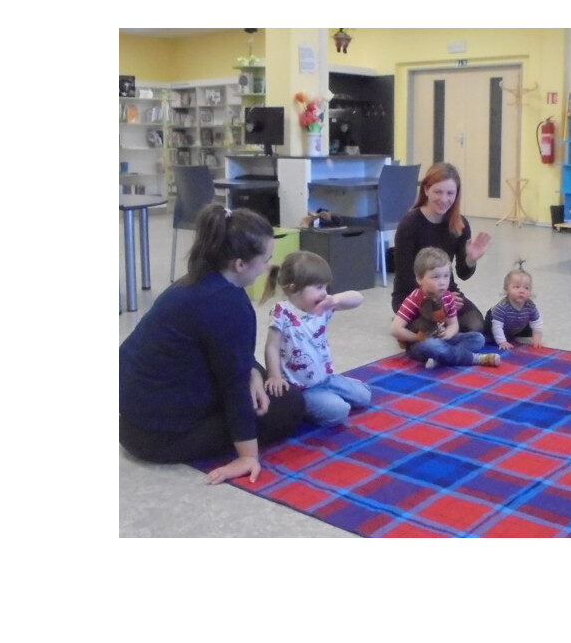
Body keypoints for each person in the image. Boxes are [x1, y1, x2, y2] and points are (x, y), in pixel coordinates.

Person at [119, 205, 306, 485]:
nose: (268, 267)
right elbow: (233, 386)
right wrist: (248, 456)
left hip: (131, 420)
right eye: (265, 260)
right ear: (240, 264)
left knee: (258, 379)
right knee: (288, 405)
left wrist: (252, 373)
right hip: (159, 439)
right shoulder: (229, 304)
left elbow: (225, 352)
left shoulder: (194, 282)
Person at [260, 251, 370, 428]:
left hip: (326, 378)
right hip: (302, 388)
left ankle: (329, 398)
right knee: (339, 410)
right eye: (319, 287)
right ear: (294, 289)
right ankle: (304, 407)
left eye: (325, 287)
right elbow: (271, 346)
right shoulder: (282, 311)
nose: (324, 293)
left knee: (365, 396)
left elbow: (358, 299)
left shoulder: (323, 306)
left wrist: (335, 300)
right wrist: (274, 376)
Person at [391, 162, 492, 334]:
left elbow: (463, 273)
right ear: (426, 190)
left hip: (446, 291)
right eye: (438, 192)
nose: (444, 199)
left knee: (476, 327)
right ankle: (410, 322)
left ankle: (445, 326)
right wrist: (437, 297)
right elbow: (405, 276)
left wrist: (470, 259)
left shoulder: (459, 224)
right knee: (429, 330)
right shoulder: (409, 224)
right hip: (412, 295)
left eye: (450, 193)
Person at [391, 246, 501, 369]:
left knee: (478, 339)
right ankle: (474, 358)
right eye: (435, 277)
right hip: (420, 344)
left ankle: (441, 359)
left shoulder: (447, 297)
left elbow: (453, 324)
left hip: (441, 340)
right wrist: (417, 337)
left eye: (446, 276)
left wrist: (448, 333)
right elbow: (396, 329)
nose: (442, 282)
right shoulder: (414, 299)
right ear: (419, 279)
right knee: (432, 345)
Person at [486, 258, 543, 350]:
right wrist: (502, 342)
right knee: (492, 334)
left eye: (526, 288)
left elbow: (537, 322)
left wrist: (537, 337)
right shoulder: (502, 307)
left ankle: (512, 333)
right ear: (506, 289)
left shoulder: (530, 306)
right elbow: (497, 326)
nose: (522, 291)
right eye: (517, 287)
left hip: (516, 323)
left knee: (531, 330)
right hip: (494, 321)